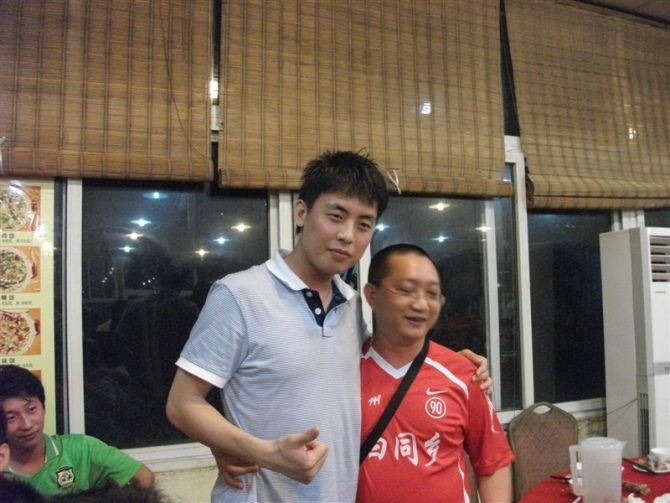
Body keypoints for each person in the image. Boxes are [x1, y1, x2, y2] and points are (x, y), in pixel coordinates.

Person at [166, 150, 491, 502]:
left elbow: (383, 362)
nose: (347, 235)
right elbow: (182, 404)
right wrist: (260, 451)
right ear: (301, 212)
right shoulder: (239, 294)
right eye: (336, 216)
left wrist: (453, 364)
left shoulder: (350, 303)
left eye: (363, 225)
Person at [357, 244, 514, 502]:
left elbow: (492, 462)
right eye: (406, 290)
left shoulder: (464, 374)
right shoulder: (345, 373)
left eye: (432, 294)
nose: (421, 304)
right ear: (372, 294)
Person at [0, 365, 155, 498]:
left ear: (43, 407)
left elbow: (144, 477)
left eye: (31, 409)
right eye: (11, 417)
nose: (26, 424)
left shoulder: (82, 449)